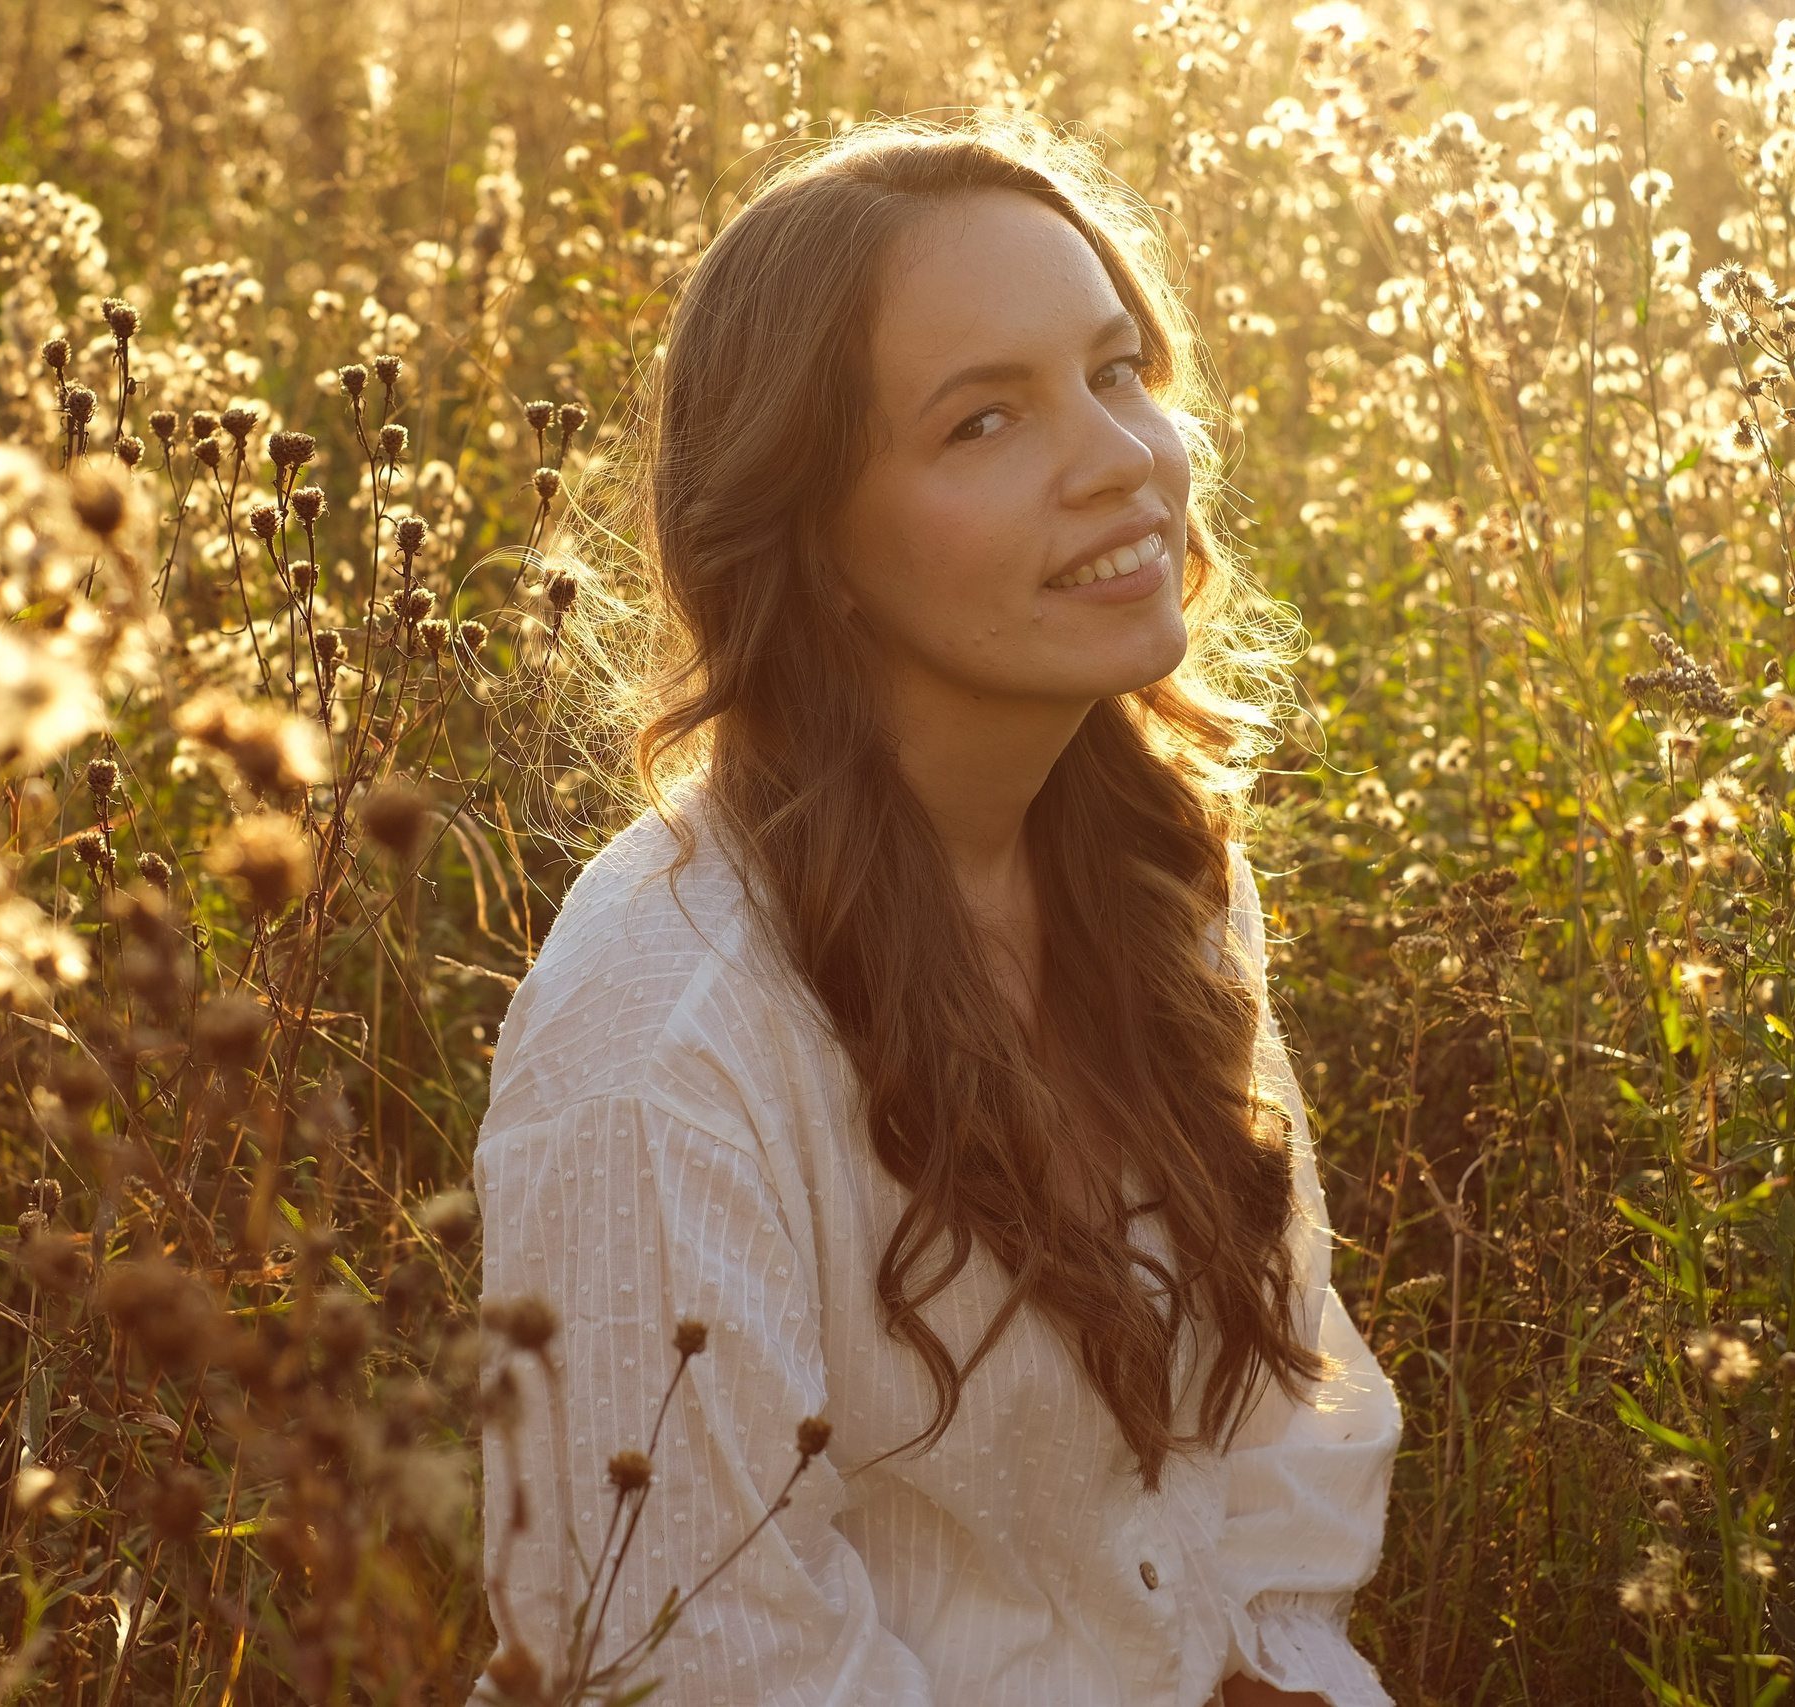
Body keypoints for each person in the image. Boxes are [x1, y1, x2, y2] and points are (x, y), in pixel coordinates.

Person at [473, 112, 1401, 1707]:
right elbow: (695, 1659)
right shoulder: (665, 1048)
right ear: (811, 542)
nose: (1122, 458)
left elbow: (1274, 1464)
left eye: (1118, 374)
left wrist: (1275, 1671)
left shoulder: (1157, 884)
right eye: (984, 423)